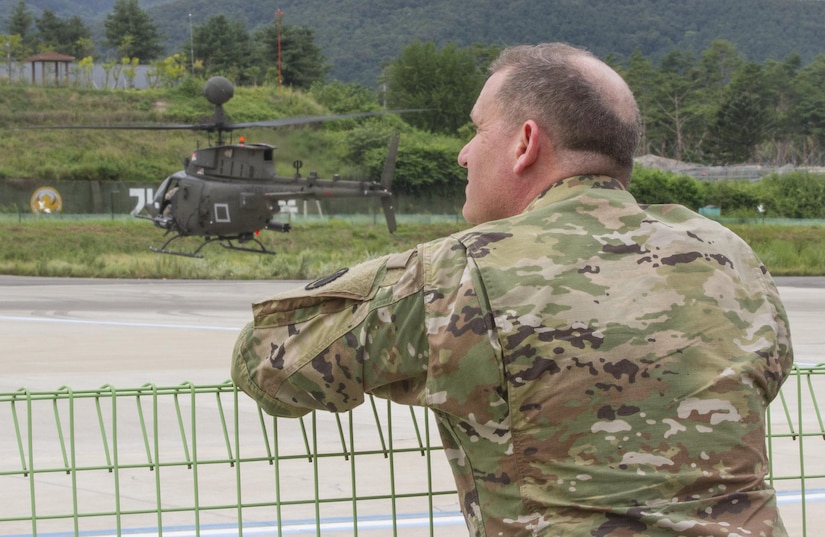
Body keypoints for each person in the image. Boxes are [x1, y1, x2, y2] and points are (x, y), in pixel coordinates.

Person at [232, 43, 793, 536]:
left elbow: (265, 365)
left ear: (526, 143)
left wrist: (435, 358)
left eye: (476, 130)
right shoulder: (728, 254)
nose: (463, 153)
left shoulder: (459, 274)